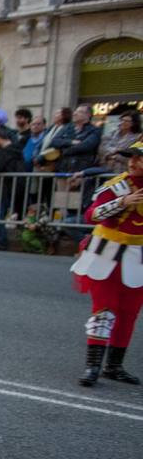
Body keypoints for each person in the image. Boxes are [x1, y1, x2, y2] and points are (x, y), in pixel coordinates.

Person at [69, 138, 143, 386]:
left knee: (129, 313)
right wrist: (122, 202)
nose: (132, 162)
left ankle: (114, 365)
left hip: (138, 258)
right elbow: (92, 214)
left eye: (138, 157)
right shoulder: (118, 185)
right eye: (131, 157)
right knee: (104, 309)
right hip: (107, 256)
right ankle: (92, 366)